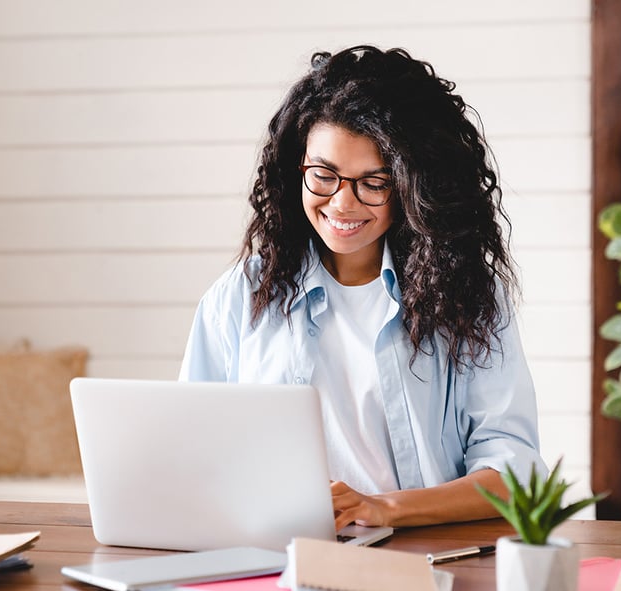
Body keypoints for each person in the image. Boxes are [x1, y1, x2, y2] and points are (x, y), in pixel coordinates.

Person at [179, 45, 545, 529]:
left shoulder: (469, 297)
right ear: (297, 170)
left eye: (374, 182)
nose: (342, 203)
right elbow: (189, 450)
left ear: (417, 186)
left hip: (425, 554)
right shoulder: (240, 296)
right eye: (323, 176)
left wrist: (385, 509)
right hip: (279, 553)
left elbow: (513, 469)